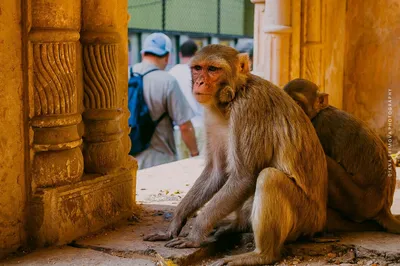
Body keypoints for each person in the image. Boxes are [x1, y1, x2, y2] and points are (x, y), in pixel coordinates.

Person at [131, 33, 199, 169]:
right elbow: (185, 126)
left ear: (143, 53)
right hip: (159, 160)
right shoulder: (168, 81)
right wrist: (194, 153)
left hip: (128, 158)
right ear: (167, 57)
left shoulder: (126, 74)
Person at [169, 40, 205, 159]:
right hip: (199, 127)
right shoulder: (201, 73)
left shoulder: (171, 73)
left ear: (180, 54)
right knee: (199, 170)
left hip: (178, 129)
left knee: (180, 171)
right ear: (197, 54)